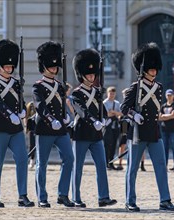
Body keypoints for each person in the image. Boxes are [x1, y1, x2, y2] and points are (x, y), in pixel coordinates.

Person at [121, 42, 174, 212]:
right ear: (143, 69)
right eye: (151, 68)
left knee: (161, 166)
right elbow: (124, 108)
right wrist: (134, 114)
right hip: (138, 133)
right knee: (132, 169)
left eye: (155, 68)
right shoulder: (135, 87)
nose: (154, 71)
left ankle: (165, 200)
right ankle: (130, 201)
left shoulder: (159, 88)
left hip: (154, 132)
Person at [0, 39, 34, 208]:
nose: (9, 68)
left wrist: (22, 111)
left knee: (22, 159)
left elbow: (20, 102)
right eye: (6, 66)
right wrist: (10, 114)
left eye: (11, 66)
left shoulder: (16, 83)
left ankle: (22, 195)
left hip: (15, 129)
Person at [71, 48, 117, 208]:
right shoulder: (76, 94)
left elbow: (102, 110)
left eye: (93, 74)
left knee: (101, 166)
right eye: (88, 75)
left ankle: (103, 196)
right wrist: (94, 120)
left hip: (96, 135)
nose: (91, 77)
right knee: (78, 168)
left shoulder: (97, 92)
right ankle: (76, 197)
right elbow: (82, 111)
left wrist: (105, 118)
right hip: (82, 133)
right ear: (82, 75)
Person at [33, 41, 74, 208]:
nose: (55, 68)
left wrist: (66, 117)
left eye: (56, 66)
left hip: (60, 128)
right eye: (52, 66)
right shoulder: (38, 86)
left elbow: (61, 104)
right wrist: (51, 119)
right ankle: (42, 196)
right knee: (42, 163)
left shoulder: (60, 86)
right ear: (44, 67)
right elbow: (40, 106)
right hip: (45, 127)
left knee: (69, 159)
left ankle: (63, 194)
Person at [160, 89, 174, 172]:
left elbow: (173, 116)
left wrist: (165, 116)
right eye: (168, 95)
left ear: (173, 96)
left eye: (171, 95)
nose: (169, 97)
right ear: (165, 96)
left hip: (173, 129)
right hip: (164, 129)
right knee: (165, 148)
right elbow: (160, 117)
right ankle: (165, 165)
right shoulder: (163, 106)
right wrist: (169, 116)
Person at [103, 86, 122, 170]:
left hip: (115, 126)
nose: (112, 95)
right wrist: (115, 113)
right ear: (107, 94)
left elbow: (120, 114)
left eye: (113, 94)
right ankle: (106, 162)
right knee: (107, 144)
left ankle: (111, 162)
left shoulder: (117, 103)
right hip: (107, 126)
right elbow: (107, 114)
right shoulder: (104, 103)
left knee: (114, 144)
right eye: (110, 93)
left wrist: (114, 112)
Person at [25, 101, 36, 169]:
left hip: (39, 129)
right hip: (32, 129)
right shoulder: (30, 106)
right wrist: (26, 128)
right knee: (31, 145)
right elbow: (26, 118)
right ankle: (32, 160)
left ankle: (35, 160)